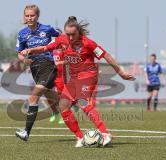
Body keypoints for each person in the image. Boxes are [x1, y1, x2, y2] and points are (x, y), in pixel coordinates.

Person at [19, 16, 136, 147]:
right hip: (74, 78)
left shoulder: (88, 43)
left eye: (73, 34)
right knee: (63, 106)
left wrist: (120, 72)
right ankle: (80, 138)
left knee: (82, 101)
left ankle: (104, 133)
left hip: (88, 75)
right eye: (67, 34)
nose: (70, 37)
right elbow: (46, 48)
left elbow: (106, 55)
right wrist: (31, 50)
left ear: (79, 32)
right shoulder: (61, 40)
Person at [15, 5, 61, 141]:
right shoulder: (22, 33)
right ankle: (68, 102)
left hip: (49, 65)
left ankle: (26, 132)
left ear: (37, 16)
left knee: (33, 97)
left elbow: (62, 39)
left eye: (32, 15)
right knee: (47, 93)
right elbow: (19, 53)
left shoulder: (47, 29)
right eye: (27, 15)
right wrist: (24, 60)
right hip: (35, 68)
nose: (29, 18)